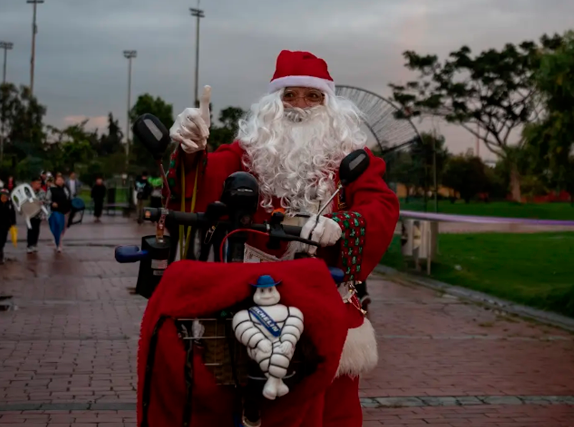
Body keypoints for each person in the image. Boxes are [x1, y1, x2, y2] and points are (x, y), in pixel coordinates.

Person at [167, 50, 400, 426]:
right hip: (255, 292)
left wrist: (342, 226)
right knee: (244, 399)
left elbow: (381, 205)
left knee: (333, 408)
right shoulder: (249, 153)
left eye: (313, 96)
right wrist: (192, 152)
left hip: (326, 292)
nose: (300, 106)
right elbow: (200, 185)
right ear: (273, 102)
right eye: (289, 95)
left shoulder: (354, 157)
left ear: (329, 103)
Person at [46, 174, 71, 253]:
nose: (59, 181)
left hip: (66, 210)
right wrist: (52, 203)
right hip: (56, 211)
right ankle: (58, 244)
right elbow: (47, 199)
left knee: (64, 227)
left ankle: (59, 239)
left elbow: (69, 198)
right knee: (57, 226)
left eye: (61, 180)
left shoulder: (66, 189)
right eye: (58, 180)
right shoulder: (51, 190)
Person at [26, 177, 44, 253]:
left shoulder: (42, 192)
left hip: (38, 214)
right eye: (37, 183)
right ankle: (29, 245)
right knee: (30, 229)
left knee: (36, 229)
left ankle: (34, 244)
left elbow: (41, 200)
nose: (38, 185)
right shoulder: (28, 191)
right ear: (32, 183)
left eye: (40, 183)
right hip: (30, 214)